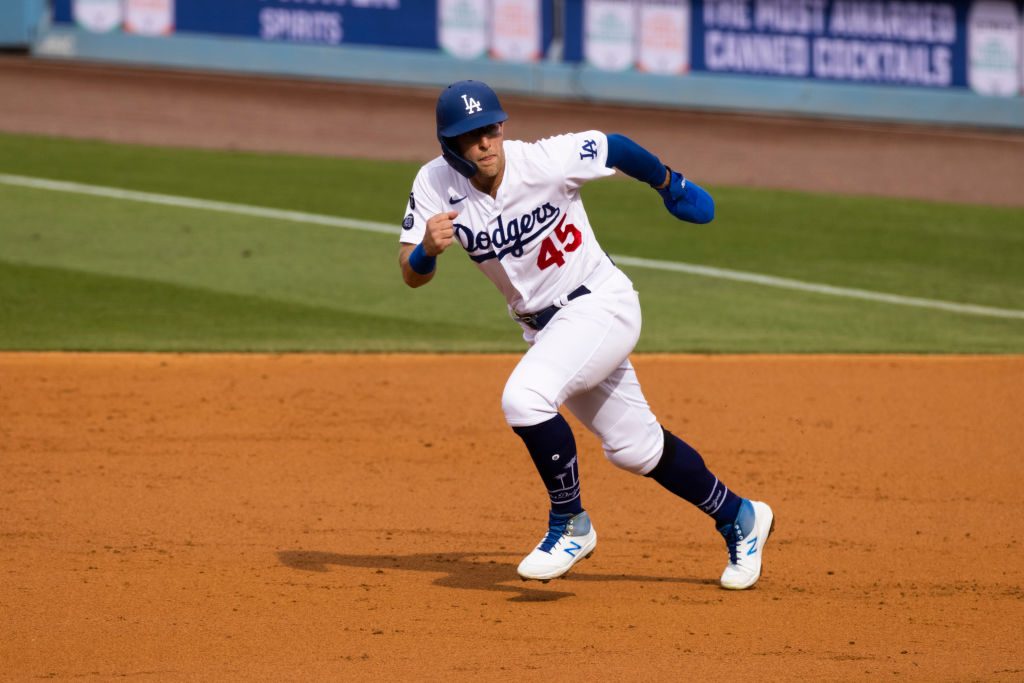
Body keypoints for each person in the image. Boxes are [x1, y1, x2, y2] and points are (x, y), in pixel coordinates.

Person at [397, 80, 774, 590]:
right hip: (549, 331)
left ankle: (570, 523)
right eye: (471, 135)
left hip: (600, 305)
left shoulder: (545, 160)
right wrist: (425, 252)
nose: (486, 142)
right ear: (449, 144)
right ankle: (740, 516)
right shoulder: (432, 183)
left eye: (491, 128)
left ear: (503, 126)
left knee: (525, 399)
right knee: (635, 449)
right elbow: (410, 273)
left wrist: (670, 184)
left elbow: (615, 146)